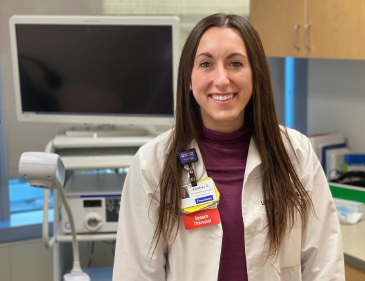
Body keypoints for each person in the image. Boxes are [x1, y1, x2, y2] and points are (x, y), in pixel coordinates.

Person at [113, 13, 345, 281]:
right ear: (189, 79)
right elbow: (136, 273)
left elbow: (324, 265)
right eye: (206, 64)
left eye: (235, 63)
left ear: (256, 75)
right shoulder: (152, 163)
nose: (221, 79)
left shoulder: (296, 154)